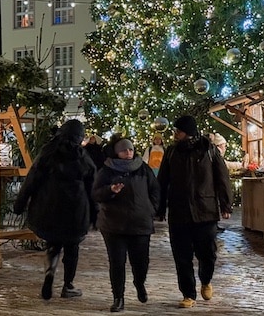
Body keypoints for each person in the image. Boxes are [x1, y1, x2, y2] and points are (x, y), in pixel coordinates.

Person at [13, 119, 96, 300]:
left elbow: (32, 179)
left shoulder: (48, 153)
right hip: (76, 210)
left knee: (53, 244)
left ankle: (50, 272)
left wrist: (19, 204)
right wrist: (95, 214)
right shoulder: (82, 157)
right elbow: (93, 187)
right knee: (72, 248)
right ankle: (68, 285)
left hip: (49, 207)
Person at [157, 115, 233, 309]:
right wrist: (159, 208)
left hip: (205, 211)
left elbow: (222, 178)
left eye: (178, 131)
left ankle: (206, 280)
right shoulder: (172, 152)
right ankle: (188, 294)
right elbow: (163, 181)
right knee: (181, 256)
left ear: (188, 133)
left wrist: (225, 204)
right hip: (179, 211)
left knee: (207, 253)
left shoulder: (209, 150)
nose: (175, 135)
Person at [92, 138, 160, 313]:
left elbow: (155, 189)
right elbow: (95, 193)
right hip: (114, 225)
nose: (128, 153)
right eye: (124, 150)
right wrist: (110, 191)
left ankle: (139, 283)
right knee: (117, 263)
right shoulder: (107, 170)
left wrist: (151, 209)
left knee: (141, 262)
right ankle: (118, 297)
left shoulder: (142, 168)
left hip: (140, 223)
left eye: (130, 150)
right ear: (116, 152)